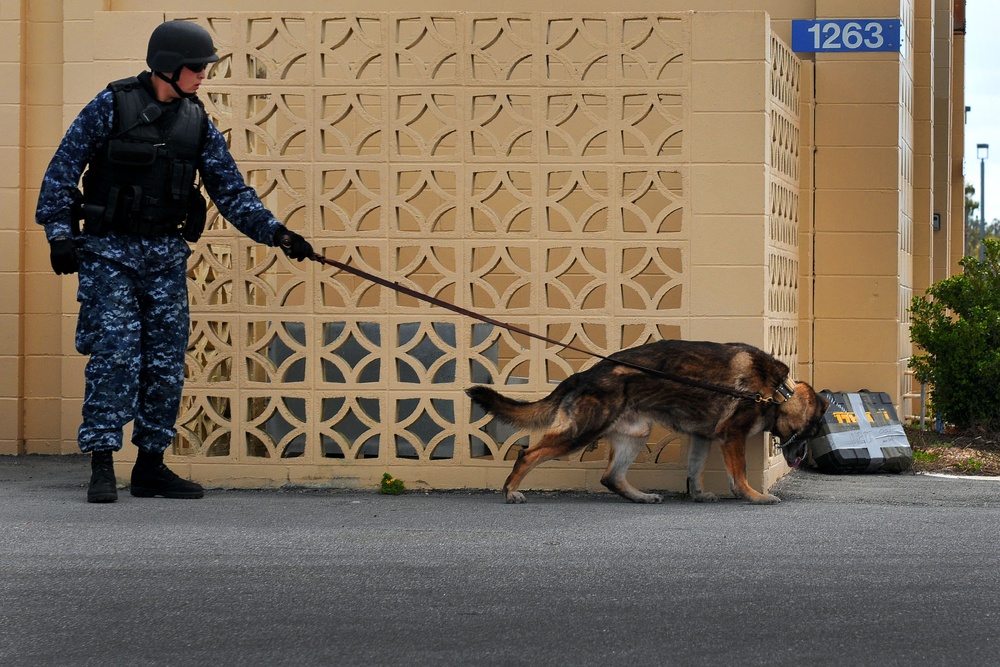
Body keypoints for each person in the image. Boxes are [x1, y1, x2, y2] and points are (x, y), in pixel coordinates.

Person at [35, 20, 315, 503]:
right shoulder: (111, 105)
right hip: (109, 254)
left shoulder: (196, 121)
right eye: (197, 67)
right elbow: (61, 171)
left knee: (165, 364)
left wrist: (278, 234)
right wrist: (60, 234)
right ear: (169, 66)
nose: (204, 75)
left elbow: (230, 190)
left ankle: (150, 468)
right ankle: (102, 465)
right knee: (115, 356)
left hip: (164, 257)